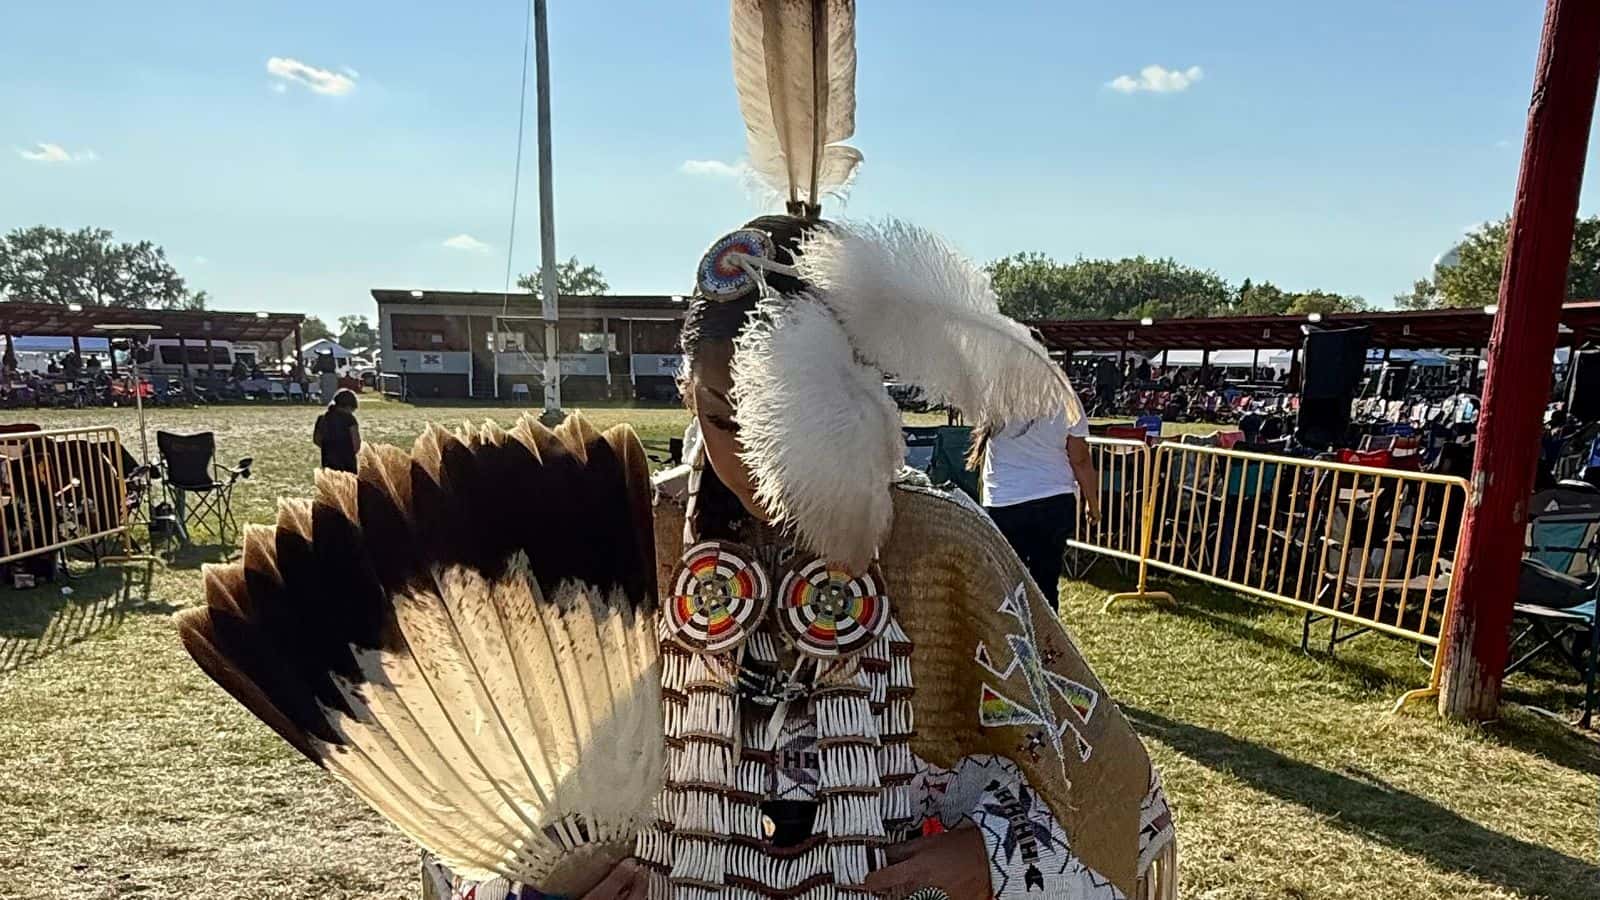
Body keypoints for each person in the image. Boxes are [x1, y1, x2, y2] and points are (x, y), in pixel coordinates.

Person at [175, 6, 1175, 900]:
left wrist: (993, 856)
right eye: (724, 424)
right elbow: (485, 777)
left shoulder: (943, 548)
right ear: (687, 396)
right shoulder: (628, 534)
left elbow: (1103, 788)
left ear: (867, 392)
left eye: (793, 429)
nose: (756, 467)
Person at [971, 403, 1103, 611]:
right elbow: (1080, 458)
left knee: (1007, 585)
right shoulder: (1064, 396)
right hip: (1053, 497)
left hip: (1005, 500)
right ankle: (1046, 640)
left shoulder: (994, 394)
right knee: (1046, 584)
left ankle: (1012, 639)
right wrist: (1092, 503)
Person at [311, 388, 360, 473]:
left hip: (328, 460)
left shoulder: (323, 418)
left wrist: (329, 449)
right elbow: (356, 443)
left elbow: (316, 440)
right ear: (350, 406)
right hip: (347, 461)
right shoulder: (350, 419)